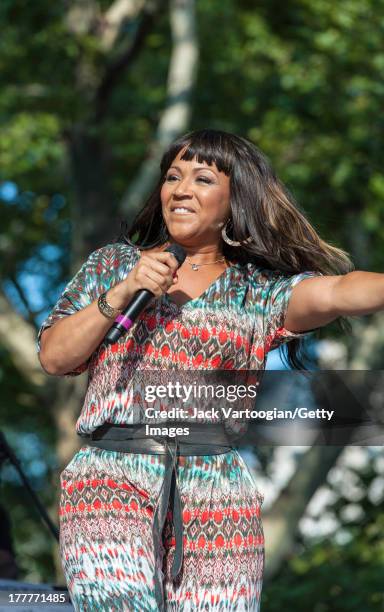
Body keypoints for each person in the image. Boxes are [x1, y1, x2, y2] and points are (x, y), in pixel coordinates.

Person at [37, 128, 381, 611]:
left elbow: (340, 292)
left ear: (234, 199)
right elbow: (54, 356)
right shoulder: (113, 265)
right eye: (172, 177)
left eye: (201, 178)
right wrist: (120, 292)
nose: (180, 189)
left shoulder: (258, 292)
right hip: (110, 477)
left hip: (217, 489)